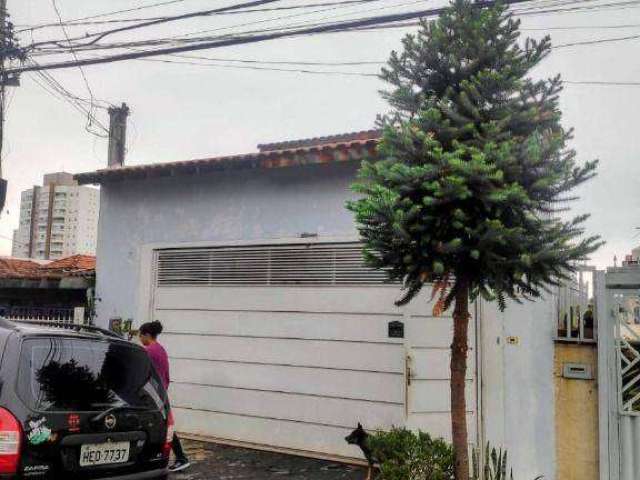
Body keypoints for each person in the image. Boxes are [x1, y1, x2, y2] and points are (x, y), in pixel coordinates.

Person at [139, 321, 190, 473]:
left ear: (147, 335)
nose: (139, 338)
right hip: (160, 394)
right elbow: (166, 376)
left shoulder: (148, 351)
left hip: (151, 396)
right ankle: (179, 458)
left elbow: (141, 374)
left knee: (160, 428)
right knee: (165, 427)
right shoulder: (161, 350)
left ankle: (180, 458)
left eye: (140, 335)